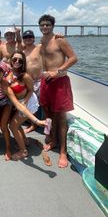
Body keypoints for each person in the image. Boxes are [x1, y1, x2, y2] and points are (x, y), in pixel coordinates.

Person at [39, 14, 78, 168]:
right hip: (45, 81)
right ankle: (51, 138)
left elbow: (73, 58)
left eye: (48, 25)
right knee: (47, 112)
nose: (45, 27)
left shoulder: (59, 40)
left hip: (60, 81)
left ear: (53, 26)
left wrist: (58, 71)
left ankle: (63, 151)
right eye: (42, 25)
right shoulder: (41, 41)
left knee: (61, 118)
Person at [7, 51, 40, 160]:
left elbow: (31, 90)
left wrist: (25, 102)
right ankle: (25, 141)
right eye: (15, 59)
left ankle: (23, 151)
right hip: (18, 103)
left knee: (13, 125)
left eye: (20, 60)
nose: (17, 62)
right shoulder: (8, 72)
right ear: (10, 60)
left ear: (23, 63)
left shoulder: (25, 76)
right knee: (17, 124)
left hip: (28, 102)